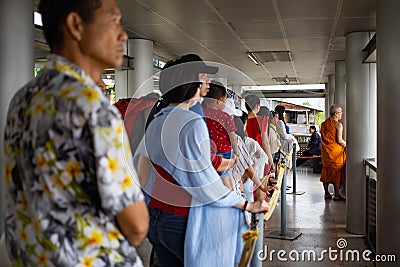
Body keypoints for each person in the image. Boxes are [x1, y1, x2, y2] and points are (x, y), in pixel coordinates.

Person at [3, 0, 149, 266]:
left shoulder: (23, 98)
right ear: (76, 25)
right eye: (114, 20)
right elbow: (136, 226)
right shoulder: (93, 108)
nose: (123, 34)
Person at [135, 56, 269, 267]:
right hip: (182, 223)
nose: (208, 81)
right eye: (204, 76)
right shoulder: (191, 122)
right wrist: (247, 205)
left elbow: (143, 174)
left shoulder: (158, 119)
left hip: (156, 220)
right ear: (192, 81)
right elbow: (205, 185)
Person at [202, 82, 239, 189]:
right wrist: (237, 152)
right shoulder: (225, 116)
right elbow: (232, 136)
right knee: (225, 177)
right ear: (219, 100)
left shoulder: (200, 113)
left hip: (208, 153)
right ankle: (230, 200)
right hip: (224, 152)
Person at [320, 105, 346, 201]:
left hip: (326, 152)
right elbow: (339, 140)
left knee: (326, 172)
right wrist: (347, 145)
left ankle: (327, 193)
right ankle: (336, 195)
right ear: (336, 114)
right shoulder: (338, 125)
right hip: (335, 152)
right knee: (336, 172)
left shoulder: (323, 124)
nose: (341, 114)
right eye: (340, 112)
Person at [244, 95, 274, 173]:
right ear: (257, 106)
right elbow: (265, 142)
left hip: (245, 156)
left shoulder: (241, 119)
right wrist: (270, 160)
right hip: (259, 156)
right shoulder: (262, 120)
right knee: (259, 182)